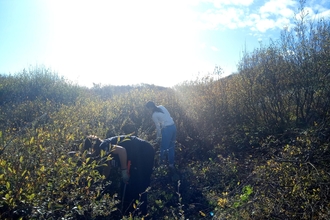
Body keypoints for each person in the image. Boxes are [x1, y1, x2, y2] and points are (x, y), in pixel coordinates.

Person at [83, 135, 155, 217]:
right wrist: (101, 181)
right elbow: (107, 167)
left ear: (92, 147)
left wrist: (124, 171)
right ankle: (129, 212)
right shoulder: (103, 151)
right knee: (128, 185)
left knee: (140, 184)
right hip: (137, 157)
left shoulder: (103, 146)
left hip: (144, 153)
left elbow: (122, 151)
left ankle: (142, 213)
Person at [145, 101, 177, 169]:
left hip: (167, 129)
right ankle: (171, 164)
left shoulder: (154, 115)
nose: (148, 111)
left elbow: (158, 127)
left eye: (148, 109)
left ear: (150, 107)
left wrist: (158, 138)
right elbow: (168, 116)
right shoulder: (162, 107)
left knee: (163, 148)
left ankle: (161, 165)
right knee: (171, 147)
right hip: (173, 127)